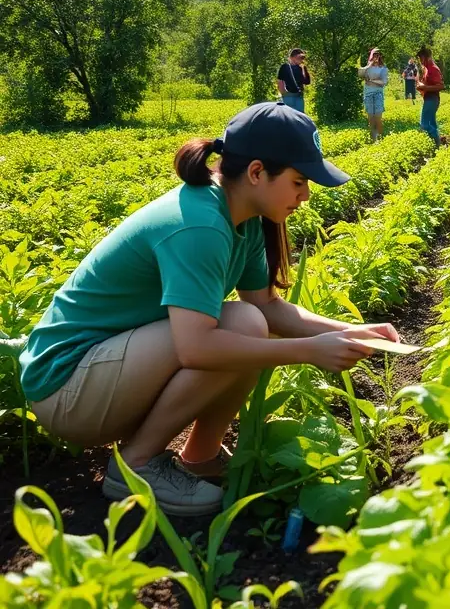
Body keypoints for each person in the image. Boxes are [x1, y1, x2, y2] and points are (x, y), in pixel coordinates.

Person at [19, 102, 401, 516]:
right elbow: (196, 349)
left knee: (247, 320)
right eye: (298, 181)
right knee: (242, 328)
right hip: (68, 387)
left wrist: (349, 332)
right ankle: (136, 465)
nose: (305, 195)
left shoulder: (245, 217)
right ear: (257, 172)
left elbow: (268, 307)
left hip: (111, 369)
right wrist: (310, 351)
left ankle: (199, 458)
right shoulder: (200, 223)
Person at [358, 48, 389, 142]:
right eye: (374, 55)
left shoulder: (383, 68)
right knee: (371, 117)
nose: (376, 57)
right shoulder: (367, 68)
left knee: (378, 117)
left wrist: (372, 81)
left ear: (380, 56)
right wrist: (368, 65)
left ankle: (380, 137)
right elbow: (360, 74)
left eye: (378, 55)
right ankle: (373, 138)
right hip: (368, 95)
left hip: (378, 94)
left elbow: (383, 82)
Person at [416, 45, 444, 146]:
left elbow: (441, 86)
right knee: (432, 124)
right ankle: (438, 144)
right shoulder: (427, 69)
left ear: (426, 57)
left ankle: (438, 144)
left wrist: (425, 87)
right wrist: (421, 85)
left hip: (432, 99)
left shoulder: (433, 69)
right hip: (429, 98)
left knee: (424, 124)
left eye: (421, 58)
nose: (420, 61)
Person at [277, 48, 310, 113]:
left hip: (299, 96)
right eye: (300, 58)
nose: (302, 60)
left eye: (303, 58)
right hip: (288, 96)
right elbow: (280, 82)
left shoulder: (300, 68)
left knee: (300, 116)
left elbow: (307, 82)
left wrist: (304, 70)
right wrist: (284, 94)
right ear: (293, 57)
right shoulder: (284, 67)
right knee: (288, 117)